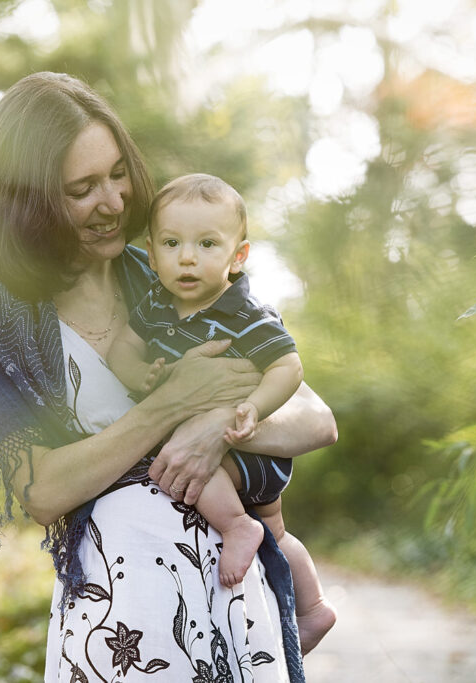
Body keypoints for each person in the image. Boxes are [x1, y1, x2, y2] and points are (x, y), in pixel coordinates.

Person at [0, 71, 337, 683]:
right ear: (26, 202)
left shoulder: (173, 275)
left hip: (226, 585)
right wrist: (167, 410)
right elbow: (41, 491)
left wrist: (216, 425)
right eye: (81, 188)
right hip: (119, 610)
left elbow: (315, 419)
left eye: (117, 175)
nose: (113, 203)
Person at [106, 173, 337, 653]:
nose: (187, 257)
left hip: (247, 447)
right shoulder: (155, 303)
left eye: (208, 244)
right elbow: (122, 349)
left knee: (191, 458)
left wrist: (253, 407)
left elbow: (288, 367)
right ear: (151, 254)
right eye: (172, 243)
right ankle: (313, 609)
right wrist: (137, 375)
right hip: (242, 456)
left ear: (238, 257)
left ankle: (236, 525)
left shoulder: (246, 314)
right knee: (278, 532)